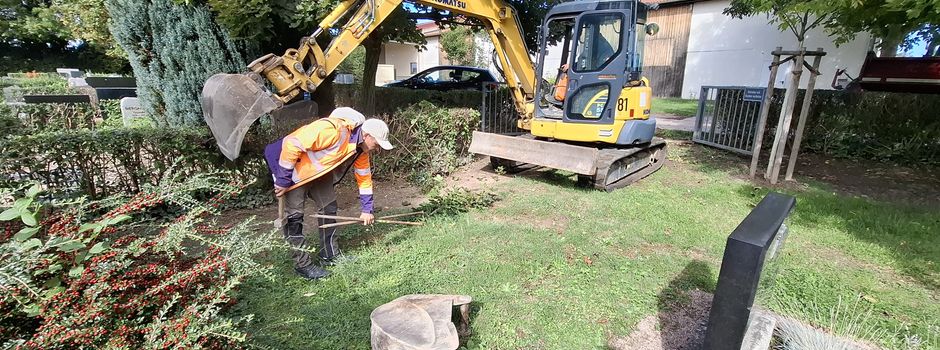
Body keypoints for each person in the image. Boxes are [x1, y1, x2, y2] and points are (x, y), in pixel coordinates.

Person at [263, 107, 394, 280]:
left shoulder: (360, 150)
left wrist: (367, 209)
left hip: (315, 172)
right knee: (294, 216)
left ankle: (330, 254)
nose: (376, 148)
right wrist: (283, 179)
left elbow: (364, 178)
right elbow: (293, 144)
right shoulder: (332, 130)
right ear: (367, 135)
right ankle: (303, 265)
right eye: (377, 144)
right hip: (288, 166)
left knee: (329, 206)